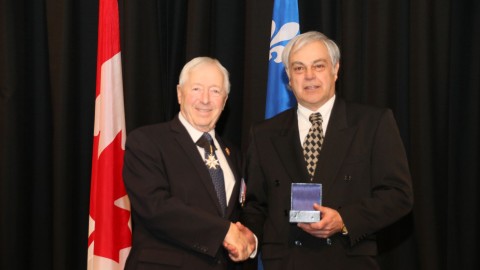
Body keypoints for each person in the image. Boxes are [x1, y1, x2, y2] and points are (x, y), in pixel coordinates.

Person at [241, 31, 414, 269]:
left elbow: (399, 195)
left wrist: (345, 219)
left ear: (335, 69)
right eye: (299, 68)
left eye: (318, 66)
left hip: (348, 260)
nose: (309, 76)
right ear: (289, 78)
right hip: (286, 262)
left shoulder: (373, 123)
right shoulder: (263, 133)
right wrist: (249, 237)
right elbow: (255, 206)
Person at [123, 57, 256, 269]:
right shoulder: (147, 142)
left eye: (215, 91)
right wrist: (223, 231)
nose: (205, 99)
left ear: (225, 99)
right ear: (179, 93)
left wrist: (249, 240)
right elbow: (155, 207)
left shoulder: (235, 155)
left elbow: (242, 212)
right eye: (196, 89)